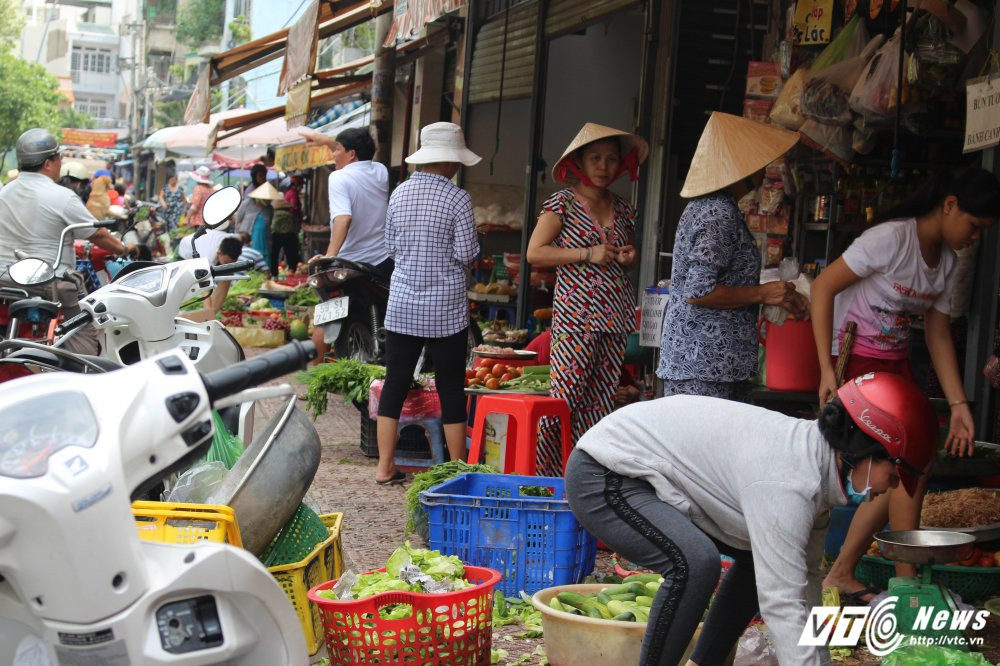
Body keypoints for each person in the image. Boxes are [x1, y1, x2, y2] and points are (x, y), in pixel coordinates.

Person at [565, 371, 936, 666]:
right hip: (604, 471)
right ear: (868, 450)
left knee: (759, 563)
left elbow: (804, 588)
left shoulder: (816, 475)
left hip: (647, 477)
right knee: (694, 563)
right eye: (894, 474)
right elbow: (782, 603)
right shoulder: (787, 482)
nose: (889, 489)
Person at [812, 167, 1000, 603]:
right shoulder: (892, 239)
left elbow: (936, 335)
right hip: (854, 363)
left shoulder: (947, 263)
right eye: (974, 226)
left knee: (911, 466)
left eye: (983, 232)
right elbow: (822, 288)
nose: (975, 238)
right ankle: (901, 580)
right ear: (950, 205)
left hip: (894, 368)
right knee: (894, 468)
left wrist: (958, 405)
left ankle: (872, 575)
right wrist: (825, 368)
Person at [524, 122, 648, 476]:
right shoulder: (561, 203)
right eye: (595, 158)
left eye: (611, 159)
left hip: (615, 316)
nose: (604, 166)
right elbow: (536, 252)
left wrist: (628, 256)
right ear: (579, 162)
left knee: (601, 402)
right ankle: (547, 476)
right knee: (566, 399)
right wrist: (586, 253)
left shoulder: (624, 208)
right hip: (576, 318)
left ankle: (584, 477)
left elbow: (628, 254)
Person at [657, 112, 808, 402]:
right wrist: (762, 293)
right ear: (741, 167)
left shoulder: (717, 208)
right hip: (704, 365)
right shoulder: (718, 213)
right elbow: (699, 291)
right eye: (758, 162)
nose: (765, 169)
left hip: (716, 363)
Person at [375, 122, 481, 484]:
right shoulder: (458, 198)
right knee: (451, 385)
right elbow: (467, 252)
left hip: (402, 302)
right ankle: (457, 470)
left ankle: (385, 466)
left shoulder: (399, 194)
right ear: (451, 162)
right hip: (446, 307)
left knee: (395, 383)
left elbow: (390, 247)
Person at [0, 128, 130, 355]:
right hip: (48, 283)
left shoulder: (4, 192)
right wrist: (123, 248)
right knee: (81, 326)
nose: (61, 162)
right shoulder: (62, 196)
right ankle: (84, 372)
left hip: (4, 281)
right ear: (48, 163)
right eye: (59, 157)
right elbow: (97, 234)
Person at [298, 126, 391, 363]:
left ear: (351, 154)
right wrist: (324, 140)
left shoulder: (338, 177)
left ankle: (315, 379)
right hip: (381, 262)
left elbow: (343, 218)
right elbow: (354, 151)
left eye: (337, 149)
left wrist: (329, 256)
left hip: (347, 262)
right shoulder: (380, 172)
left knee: (328, 313)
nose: (333, 154)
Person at [246, 180, 282, 269]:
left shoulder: (269, 209)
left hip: (265, 237)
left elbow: (270, 225)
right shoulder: (251, 206)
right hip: (255, 236)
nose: (270, 201)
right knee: (254, 255)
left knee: (265, 258)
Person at [270, 188, 301, 274]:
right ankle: (292, 270)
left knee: (274, 256)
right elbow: (295, 228)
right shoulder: (290, 214)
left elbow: (272, 226)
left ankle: (274, 273)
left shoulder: (274, 214)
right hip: (289, 236)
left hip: (276, 236)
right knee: (291, 254)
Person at [235, 164, 271, 235]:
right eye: (260, 175)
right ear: (254, 176)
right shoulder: (251, 190)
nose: (263, 178)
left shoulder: (265, 189)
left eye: (264, 175)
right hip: (250, 228)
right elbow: (243, 211)